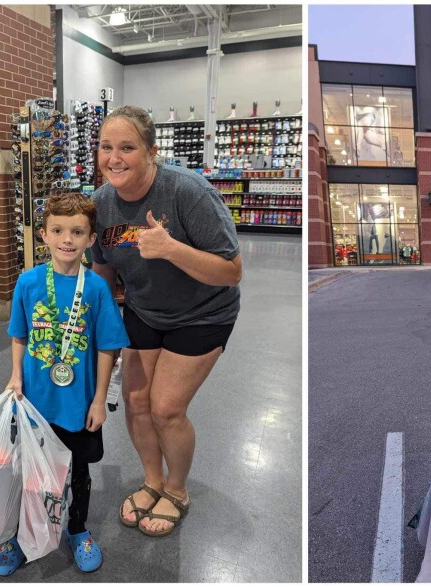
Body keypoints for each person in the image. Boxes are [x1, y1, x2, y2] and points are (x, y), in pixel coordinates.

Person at [90, 105, 242, 537]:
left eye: (127, 148)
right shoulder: (101, 203)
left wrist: (171, 249)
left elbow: (231, 271)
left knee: (166, 408)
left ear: (152, 152)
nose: (114, 158)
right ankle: (151, 481)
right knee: (137, 404)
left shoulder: (187, 192)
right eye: (106, 147)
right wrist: (100, 321)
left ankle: (176, 490)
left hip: (203, 313)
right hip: (143, 310)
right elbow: (103, 270)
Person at [0, 193, 130, 575]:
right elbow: (19, 335)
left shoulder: (96, 290)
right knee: (31, 472)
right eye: (57, 230)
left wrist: (100, 399)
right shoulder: (28, 282)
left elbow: (108, 347)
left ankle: (76, 528)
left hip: (78, 402)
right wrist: (15, 376)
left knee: (78, 470)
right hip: (36, 403)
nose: (67, 239)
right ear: (43, 234)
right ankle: (25, 534)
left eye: (77, 232)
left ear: (91, 239)